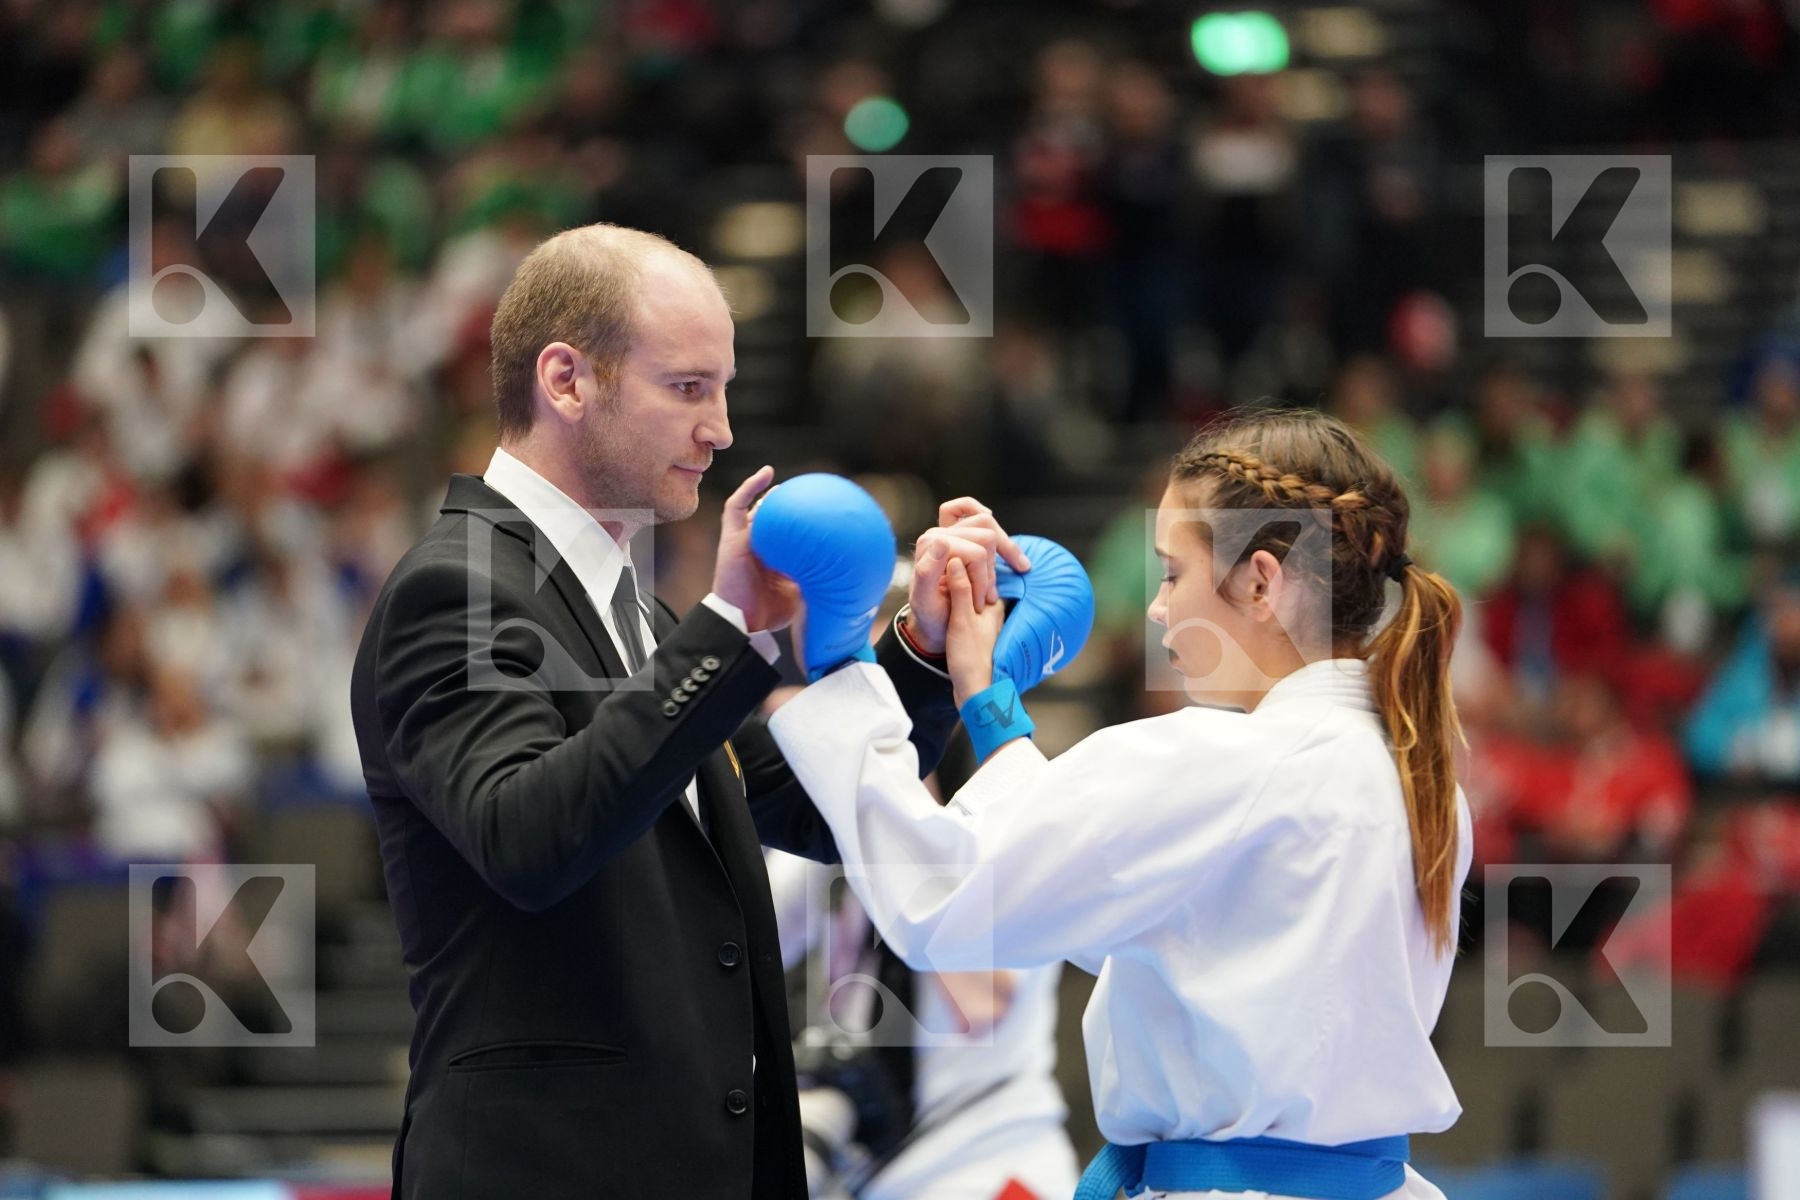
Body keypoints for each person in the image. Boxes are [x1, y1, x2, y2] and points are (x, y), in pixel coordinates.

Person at [348, 222, 1024, 1199]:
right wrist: (726, 630)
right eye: (688, 387)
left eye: (724, 388)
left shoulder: (633, 613)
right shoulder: (455, 587)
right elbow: (527, 837)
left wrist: (920, 648)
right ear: (566, 381)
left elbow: (813, 805)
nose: (721, 428)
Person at [763, 408, 1473, 1200]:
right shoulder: (1413, 774)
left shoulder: (1226, 762)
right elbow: (1137, 912)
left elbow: (953, 898)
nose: (1158, 607)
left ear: (1260, 581)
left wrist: (842, 678)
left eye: (1172, 572)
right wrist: (982, 698)